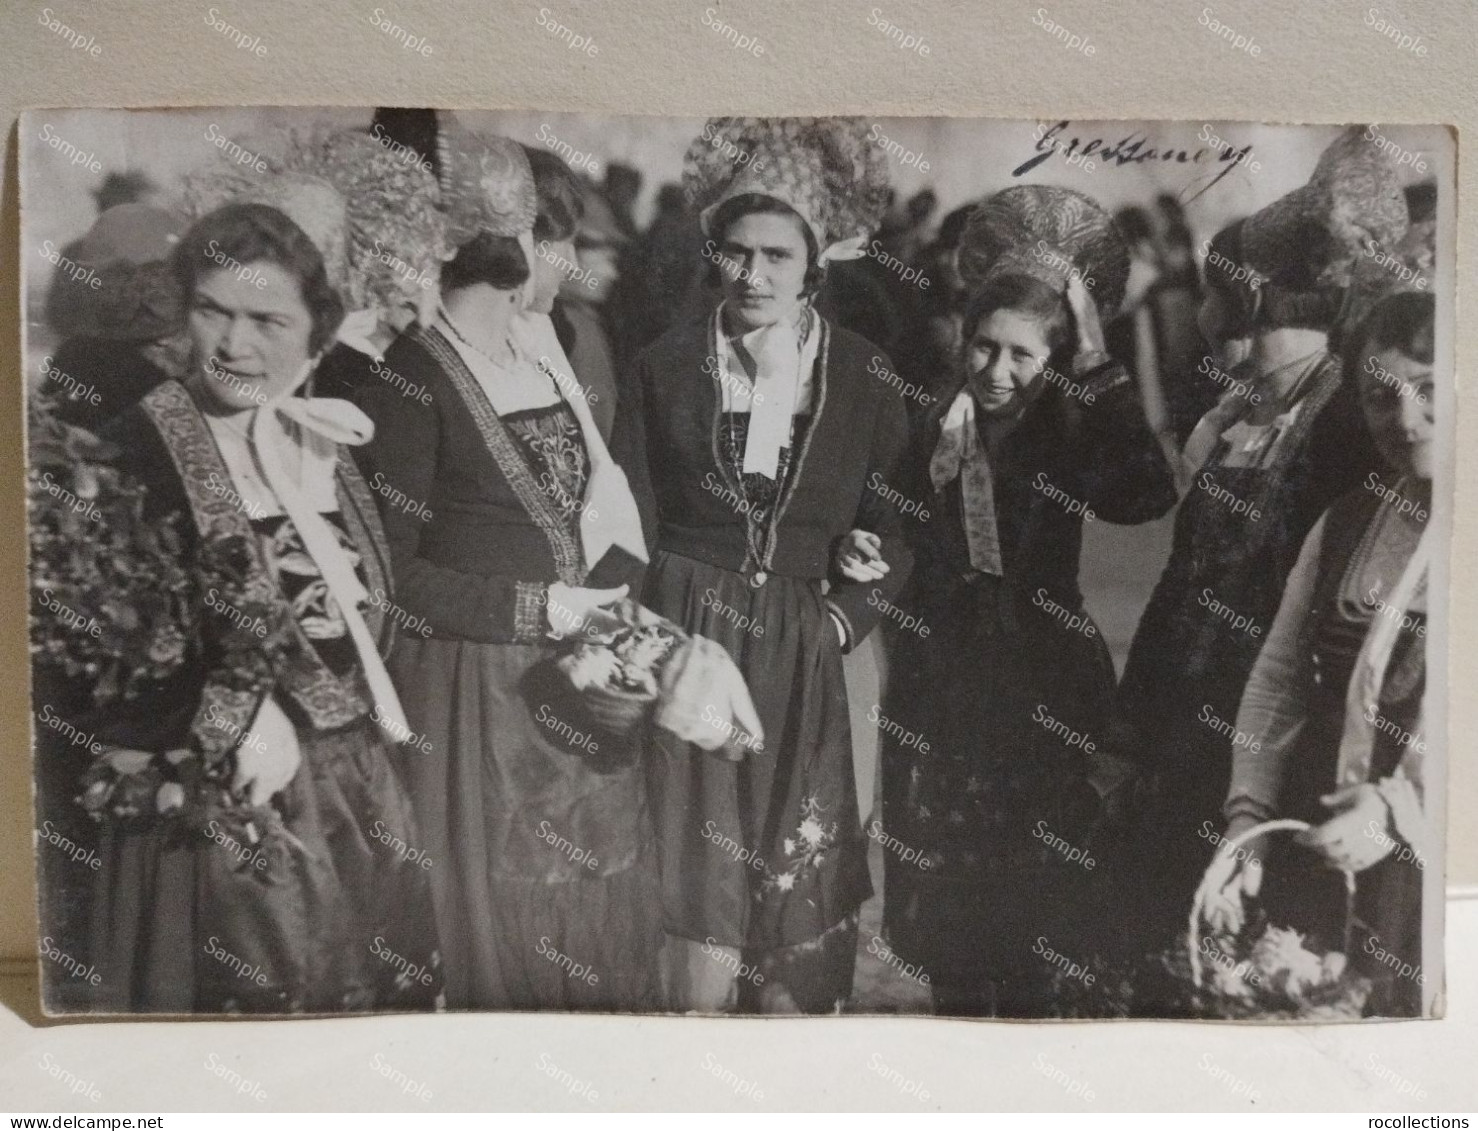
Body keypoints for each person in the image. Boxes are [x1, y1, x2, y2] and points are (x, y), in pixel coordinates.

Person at [33, 178, 441, 1013]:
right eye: (214, 311)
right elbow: (88, 662)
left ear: (317, 330)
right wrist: (228, 715)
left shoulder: (324, 442)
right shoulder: (125, 453)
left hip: (359, 795)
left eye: (267, 321)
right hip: (221, 816)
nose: (235, 344)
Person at [351, 128, 666, 1010]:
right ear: (519, 245)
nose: (563, 261)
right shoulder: (412, 377)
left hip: (570, 678)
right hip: (476, 693)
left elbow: (590, 508)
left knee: (591, 893)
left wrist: (605, 611)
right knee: (508, 916)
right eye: (551, 238)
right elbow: (396, 577)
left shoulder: (542, 349)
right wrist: (544, 608)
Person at [612, 116, 912, 1014]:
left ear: (815, 260)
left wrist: (842, 617)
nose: (754, 276)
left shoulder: (863, 374)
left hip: (800, 647)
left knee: (795, 862)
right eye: (737, 253)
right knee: (692, 868)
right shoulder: (664, 364)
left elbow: (903, 531)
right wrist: (647, 645)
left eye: (778, 256)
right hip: (687, 634)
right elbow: (627, 519)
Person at [875, 186, 1177, 1016]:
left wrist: (1095, 363)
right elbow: (889, 523)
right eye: (983, 346)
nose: (996, 371)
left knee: (1043, 917)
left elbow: (1145, 495)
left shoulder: (1072, 425)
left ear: (1053, 360)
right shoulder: (933, 417)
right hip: (939, 680)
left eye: (1021, 356)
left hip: (1046, 679)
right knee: (949, 914)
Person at [1116, 128, 1403, 968]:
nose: (1203, 325)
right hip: (1186, 724)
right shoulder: (1238, 418)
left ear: (1250, 308)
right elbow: (1179, 585)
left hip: (1282, 736)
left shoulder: (1351, 420)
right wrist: (1129, 730)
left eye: (1219, 300)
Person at [1207, 235, 1437, 1018]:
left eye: (1432, 388)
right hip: (1323, 845)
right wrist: (1249, 823)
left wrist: (1399, 804)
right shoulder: (1347, 522)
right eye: (1379, 395)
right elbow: (1278, 676)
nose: (1404, 418)